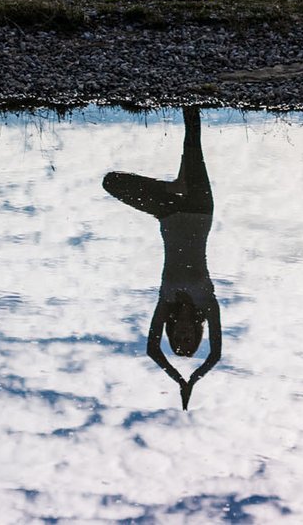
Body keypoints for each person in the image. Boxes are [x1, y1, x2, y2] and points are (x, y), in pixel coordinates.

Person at [103, 106, 223, 409]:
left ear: (172, 332)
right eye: (188, 339)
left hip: (167, 212)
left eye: (177, 340)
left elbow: (152, 349)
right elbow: (216, 354)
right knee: (192, 143)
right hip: (198, 210)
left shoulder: (165, 302)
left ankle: (174, 186)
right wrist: (194, 378)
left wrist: (178, 380)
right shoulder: (206, 303)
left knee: (111, 182)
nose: (182, 335)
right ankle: (189, 96)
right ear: (196, 333)